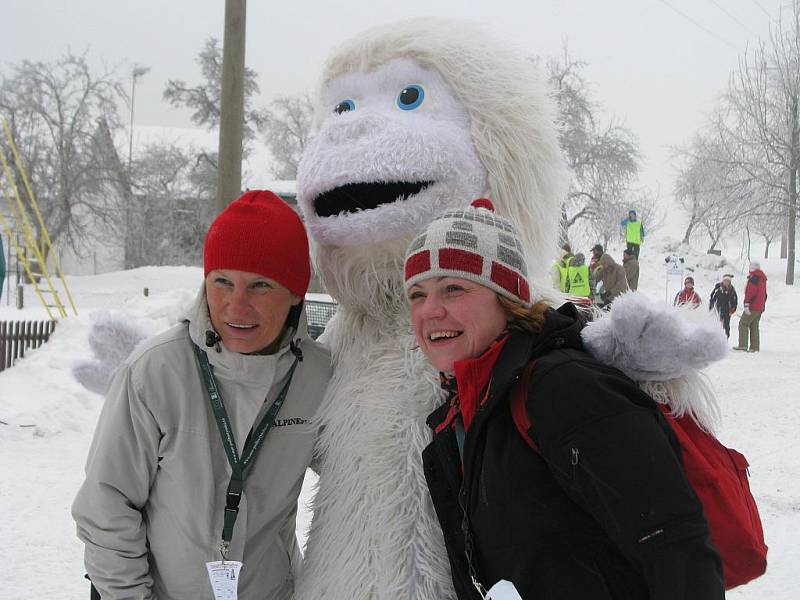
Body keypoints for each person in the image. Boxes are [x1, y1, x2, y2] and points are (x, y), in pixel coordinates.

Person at [403, 199, 724, 599]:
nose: (430, 310)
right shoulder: (467, 410)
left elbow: (678, 548)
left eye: (453, 288)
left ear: (506, 297)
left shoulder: (563, 388)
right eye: (417, 294)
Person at [72, 190, 331, 600]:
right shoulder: (157, 371)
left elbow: (359, 479)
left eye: (260, 285)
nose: (236, 306)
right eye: (222, 282)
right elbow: (107, 504)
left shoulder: (318, 378)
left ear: (296, 292)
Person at [734, 261, 768, 352]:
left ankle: (743, 345)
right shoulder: (762, 279)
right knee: (754, 325)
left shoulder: (754, 279)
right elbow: (764, 294)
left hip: (753, 306)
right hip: (760, 307)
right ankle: (754, 347)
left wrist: (746, 304)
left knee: (743, 323)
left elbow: (750, 293)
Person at [709, 274, 738, 339]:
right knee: (717, 324)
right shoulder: (718, 288)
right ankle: (715, 338)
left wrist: (733, 309)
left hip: (727, 311)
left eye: (728, 281)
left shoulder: (732, 290)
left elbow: (735, 300)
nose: (726, 283)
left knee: (726, 325)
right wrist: (711, 306)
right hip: (718, 309)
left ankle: (726, 338)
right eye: (725, 281)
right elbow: (712, 297)